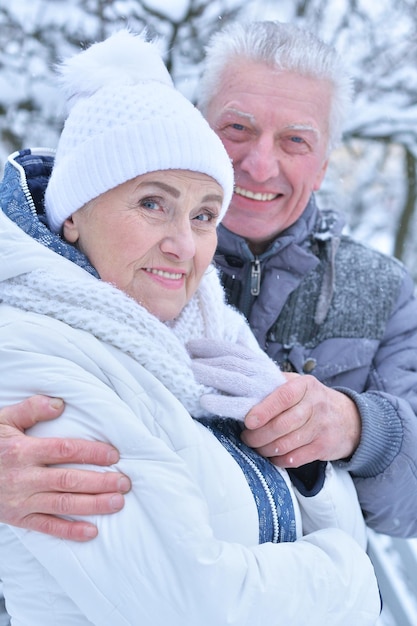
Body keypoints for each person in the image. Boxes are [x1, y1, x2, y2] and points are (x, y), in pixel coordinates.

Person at [0, 30, 380, 625]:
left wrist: (357, 429)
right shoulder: (38, 353)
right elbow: (191, 606)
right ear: (73, 212)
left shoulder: (211, 335)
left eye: (204, 215)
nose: (182, 243)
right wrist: (353, 580)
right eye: (152, 202)